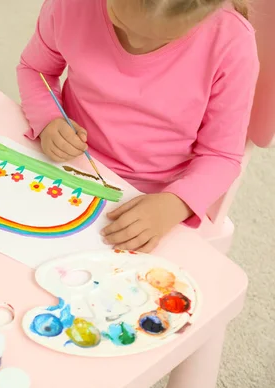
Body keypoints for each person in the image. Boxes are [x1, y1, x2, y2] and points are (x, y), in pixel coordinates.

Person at [17, 0, 259, 252]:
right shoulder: (71, 5)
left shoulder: (231, 42)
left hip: (155, 195)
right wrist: (48, 119)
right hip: (64, 164)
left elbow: (221, 155)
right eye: (119, 23)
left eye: (165, 37)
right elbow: (35, 69)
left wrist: (174, 204)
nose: (136, 43)